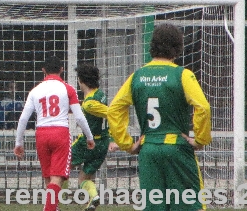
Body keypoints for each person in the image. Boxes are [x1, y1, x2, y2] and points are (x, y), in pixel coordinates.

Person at [107, 23, 212, 211]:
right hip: (176, 149)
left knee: (154, 206)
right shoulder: (182, 75)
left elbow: (114, 109)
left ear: (152, 46)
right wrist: (200, 139)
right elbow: (202, 107)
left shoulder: (137, 76)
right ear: (177, 48)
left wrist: (127, 144)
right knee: (188, 204)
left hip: (148, 150)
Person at [13, 55, 95, 211]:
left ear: (43, 70)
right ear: (61, 69)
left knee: (48, 176)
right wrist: (89, 137)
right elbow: (79, 116)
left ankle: (53, 207)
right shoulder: (68, 88)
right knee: (57, 176)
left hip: (41, 133)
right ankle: (49, 209)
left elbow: (23, 119)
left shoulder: (35, 90)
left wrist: (19, 143)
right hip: (60, 133)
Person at [66, 63, 114, 211]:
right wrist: (111, 138)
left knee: (62, 167)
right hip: (103, 143)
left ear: (81, 80)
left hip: (89, 142)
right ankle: (93, 198)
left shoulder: (89, 103)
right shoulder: (101, 94)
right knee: (84, 177)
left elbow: (111, 113)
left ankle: (56, 201)